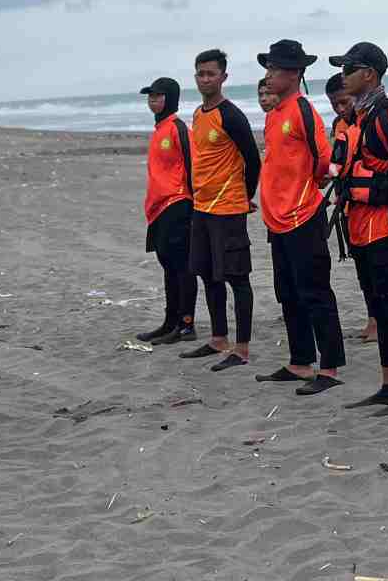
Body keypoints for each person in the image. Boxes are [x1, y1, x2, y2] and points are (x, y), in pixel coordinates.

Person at [327, 41, 388, 415]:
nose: (343, 76)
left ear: (369, 74)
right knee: (379, 310)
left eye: (348, 69)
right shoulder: (359, 116)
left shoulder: (385, 116)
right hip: (361, 229)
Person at [253, 39, 344, 396]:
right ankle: (300, 361)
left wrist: (313, 185)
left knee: (315, 292)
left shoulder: (303, 110)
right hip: (277, 219)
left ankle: (330, 367)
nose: (269, 75)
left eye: (275, 69)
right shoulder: (274, 113)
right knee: (288, 293)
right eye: (268, 68)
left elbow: (324, 160)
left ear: (294, 73)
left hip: (303, 215)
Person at [180, 48, 260, 368]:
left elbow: (253, 160)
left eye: (211, 74)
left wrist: (245, 196)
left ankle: (241, 348)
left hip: (228, 209)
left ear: (223, 77)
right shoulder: (199, 114)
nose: (205, 79)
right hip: (202, 207)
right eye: (200, 74)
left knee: (236, 278)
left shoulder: (232, 115)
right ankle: (218, 338)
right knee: (207, 274)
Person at [135, 77, 197, 345]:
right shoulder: (159, 129)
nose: (152, 100)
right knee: (168, 266)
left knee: (182, 266)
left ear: (170, 98)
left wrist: (193, 206)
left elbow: (193, 167)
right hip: (158, 208)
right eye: (150, 96)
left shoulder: (178, 129)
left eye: (158, 96)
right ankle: (170, 322)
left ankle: (186, 325)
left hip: (178, 204)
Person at [325, 72, 378, 346]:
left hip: (372, 207)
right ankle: (372, 319)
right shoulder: (338, 125)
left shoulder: (369, 121)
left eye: (344, 102)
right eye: (334, 104)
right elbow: (335, 162)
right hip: (347, 207)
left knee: (377, 267)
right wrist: (330, 177)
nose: (339, 108)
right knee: (362, 267)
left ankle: (380, 321)